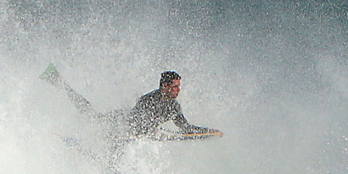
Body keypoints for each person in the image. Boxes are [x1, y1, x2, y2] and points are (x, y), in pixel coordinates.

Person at [42, 65, 222, 143]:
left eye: (178, 87)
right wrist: (150, 132)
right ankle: (60, 83)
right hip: (120, 123)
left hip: (133, 132)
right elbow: (135, 121)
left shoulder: (174, 107)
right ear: (165, 86)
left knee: (93, 117)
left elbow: (185, 128)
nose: (178, 91)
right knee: (91, 115)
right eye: (175, 87)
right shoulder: (149, 99)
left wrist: (208, 131)